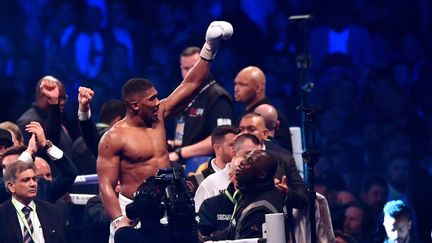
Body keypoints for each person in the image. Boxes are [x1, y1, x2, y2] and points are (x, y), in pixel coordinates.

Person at [96, 21, 233, 241]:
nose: (158, 102)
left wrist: (210, 46)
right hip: (134, 211)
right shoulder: (114, 137)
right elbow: (106, 186)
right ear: (135, 105)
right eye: (152, 99)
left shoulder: (158, 115)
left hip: (168, 207)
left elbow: (190, 85)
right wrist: (118, 219)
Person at [168, 46, 233, 174]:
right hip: (181, 164)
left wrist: (180, 153)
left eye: (194, 67)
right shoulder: (183, 95)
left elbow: (222, 139)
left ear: (205, 67)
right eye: (186, 68)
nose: (190, 72)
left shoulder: (218, 96)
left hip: (205, 167)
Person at [211, 150, 286, 240]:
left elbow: (243, 240)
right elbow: (233, 231)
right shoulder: (249, 193)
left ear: (262, 175)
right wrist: (208, 238)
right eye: (245, 157)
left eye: (249, 161)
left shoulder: (261, 208)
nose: (242, 162)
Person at [0, 121, 77, 204]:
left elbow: (70, 173)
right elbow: (7, 182)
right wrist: (29, 151)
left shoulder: (43, 187)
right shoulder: (4, 189)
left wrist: (47, 145)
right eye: (5, 167)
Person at [16, 75, 74, 176]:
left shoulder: (54, 119)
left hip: (61, 183)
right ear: (43, 95)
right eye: (59, 98)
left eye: (64, 98)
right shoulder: (28, 122)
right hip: (46, 186)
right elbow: (37, 159)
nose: (62, 102)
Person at [0, 160, 66, 242]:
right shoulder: (2, 215)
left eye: (34, 179)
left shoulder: (52, 211)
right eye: (26, 180)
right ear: (11, 186)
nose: (33, 184)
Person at [234, 66, 291, 149]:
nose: (236, 89)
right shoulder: (245, 113)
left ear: (257, 88)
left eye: (242, 85)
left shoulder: (269, 115)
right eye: (235, 84)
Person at [197, 155, 242, 238]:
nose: (243, 177)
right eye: (238, 172)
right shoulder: (211, 205)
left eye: (247, 173)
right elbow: (201, 236)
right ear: (231, 176)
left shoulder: (258, 202)